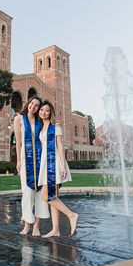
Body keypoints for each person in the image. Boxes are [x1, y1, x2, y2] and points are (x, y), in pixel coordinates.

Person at [38, 100, 79, 237]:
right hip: (45, 163)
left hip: (54, 163)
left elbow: (60, 146)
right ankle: (55, 230)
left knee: (46, 195)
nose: (44, 112)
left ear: (51, 113)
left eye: (47, 110)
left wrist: (62, 165)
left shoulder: (55, 126)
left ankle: (71, 215)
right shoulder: (41, 127)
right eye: (42, 110)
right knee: (52, 197)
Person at [14, 96, 50, 236]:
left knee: (40, 193)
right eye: (32, 104)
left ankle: (36, 226)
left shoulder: (40, 121)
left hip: (40, 160)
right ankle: (27, 225)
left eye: (36, 106)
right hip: (25, 159)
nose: (33, 107)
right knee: (27, 192)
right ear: (28, 103)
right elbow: (18, 142)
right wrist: (18, 161)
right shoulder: (19, 119)